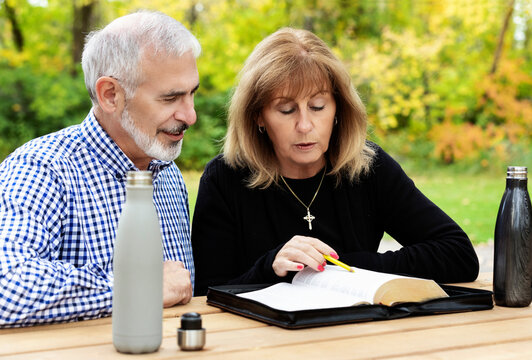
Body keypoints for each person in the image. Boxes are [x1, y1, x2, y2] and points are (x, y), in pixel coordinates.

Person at [191, 27, 479, 296]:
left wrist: (341, 269)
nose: (305, 125)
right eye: (286, 109)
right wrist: (270, 267)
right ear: (258, 116)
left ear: (338, 108)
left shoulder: (368, 166)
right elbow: (207, 293)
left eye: (318, 106)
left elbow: (459, 254)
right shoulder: (224, 178)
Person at [0, 10, 200, 327]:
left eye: (192, 93)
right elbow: (6, 287)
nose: (190, 116)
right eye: (170, 97)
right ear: (110, 95)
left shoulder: (167, 172)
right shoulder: (42, 168)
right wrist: (137, 288)